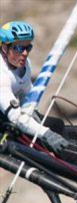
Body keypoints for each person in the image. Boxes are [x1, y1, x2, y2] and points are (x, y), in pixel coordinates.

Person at [0, 21, 72, 157]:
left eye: (28, 48)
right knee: (40, 136)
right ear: (4, 48)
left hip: (9, 115)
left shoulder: (24, 64)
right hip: (5, 121)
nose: (25, 53)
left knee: (57, 125)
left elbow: (27, 95)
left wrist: (35, 115)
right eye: (19, 48)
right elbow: (16, 118)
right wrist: (46, 134)